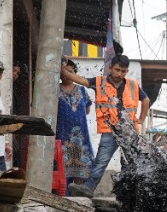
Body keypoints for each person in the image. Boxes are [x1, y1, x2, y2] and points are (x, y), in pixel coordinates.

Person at [60, 54, 150, 195]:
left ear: (127, 71)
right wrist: (62, 69)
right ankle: (88, 188)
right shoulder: (99, 82)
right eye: (117, 70)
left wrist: (142, 119)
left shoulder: (132, 84)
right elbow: (80, 80)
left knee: (131, 163)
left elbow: (146, 100)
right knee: (101, 161)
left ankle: (132, 193)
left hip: (129, 132)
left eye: (123, 71)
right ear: (110, 68)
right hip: (110, 131)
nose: (119, 74)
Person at [57, 59, 94, 195]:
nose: (66, 74)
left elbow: (87, 110)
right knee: (62, 169)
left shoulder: (82, 90)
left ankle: (79, 198)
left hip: (80, 138)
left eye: (70, 71)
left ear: (75, 74)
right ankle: (64, 198)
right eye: (63, 72)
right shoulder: (54, 90)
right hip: (62, 135)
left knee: (81, 171)